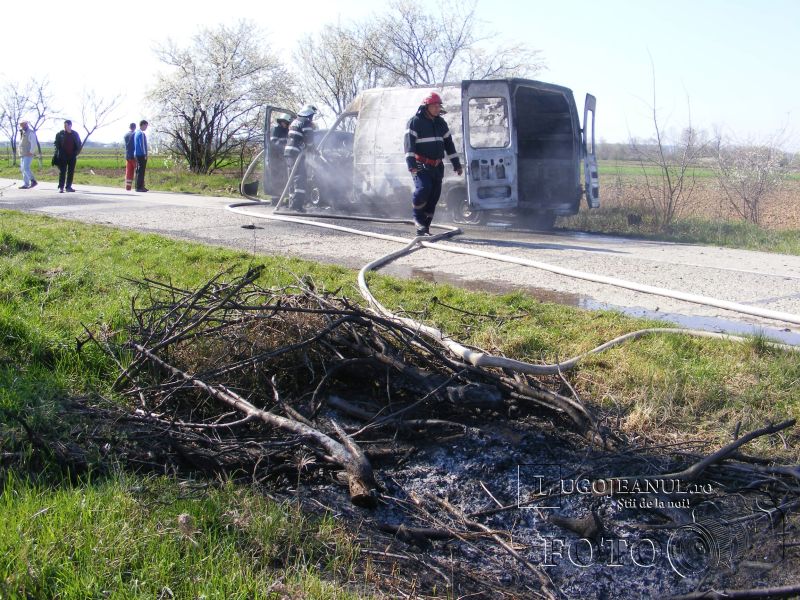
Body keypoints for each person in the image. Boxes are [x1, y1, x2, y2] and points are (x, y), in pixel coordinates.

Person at [403, 92, 463, 235]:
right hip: (420, 165)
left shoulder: (441, 123)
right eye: (434, 106)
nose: (437, 108)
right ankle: (418, 220)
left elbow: (449, 145)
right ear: (426, 107)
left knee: (434, 196)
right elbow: (409, 145)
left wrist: (456, 164)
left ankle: (425, 228)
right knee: (424, 189)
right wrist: (411, 164)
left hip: (437, 166)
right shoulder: (415, 122)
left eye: (438, 106)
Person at [284, 105, 318, 212]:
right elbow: (309, 140)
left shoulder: (295, 121)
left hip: (288, 152)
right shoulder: (306, 122)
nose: (312, 118)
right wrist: (313, 149)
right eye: (312, 115)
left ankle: (291, 204)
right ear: (309, 114)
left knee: (292, 178)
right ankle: (297, 206)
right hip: (296, 153)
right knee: (300, 178)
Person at [53, 120, 82, 193]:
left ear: (70, 125)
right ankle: (61, 187)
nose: (65, 127)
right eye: (64, 125)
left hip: (72, 155)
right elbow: (56, 144)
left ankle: (68, 187)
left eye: (66, 125)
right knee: (62, 171)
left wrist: (76, 153)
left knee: (71, 172)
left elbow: (79, 144)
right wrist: (58, 152)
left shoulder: (75, 134)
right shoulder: (60, 134)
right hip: (63, 156)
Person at [268, 114, 290, 197]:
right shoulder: (276, 129)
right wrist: (282, 149)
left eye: (287, 123)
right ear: (281, 122)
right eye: (284, 122)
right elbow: (274, 143)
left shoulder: (286, 130)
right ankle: (275, 197)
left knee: (284, 177)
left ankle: (282, 195)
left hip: (283, 157)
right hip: (276, 157)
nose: (286, 124)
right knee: (276, 177)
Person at [18, 120, 39, 189]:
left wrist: (31, 151)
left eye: (23, 125)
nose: (22, 126)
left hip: (28, 154)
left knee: (26, 168)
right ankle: (26, 184)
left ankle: (33, 181)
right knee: (23, 169)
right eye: (21, 125)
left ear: (26, 124)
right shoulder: (23, 132)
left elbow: (34, 143)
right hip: (23, 154)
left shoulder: (31, 132)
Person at [133, 120, 149, 192]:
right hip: (141, 155)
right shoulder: (141, 134)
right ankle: (139, 187)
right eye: (146, 125)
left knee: (138, 171)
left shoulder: (136, 133)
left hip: (136, 154)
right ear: (142, 125)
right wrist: (145, 154)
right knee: (141, 171)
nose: (146, 127)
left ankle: (138, 186)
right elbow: (142, 145)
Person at [123, 122, 136, 191]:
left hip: (127, 155)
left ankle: (128, 187)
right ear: (135, 127)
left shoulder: (125, 135)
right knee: (137, 171)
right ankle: (139, 185)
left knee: (128, 172)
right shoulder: (135, 134)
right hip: (134, 155)